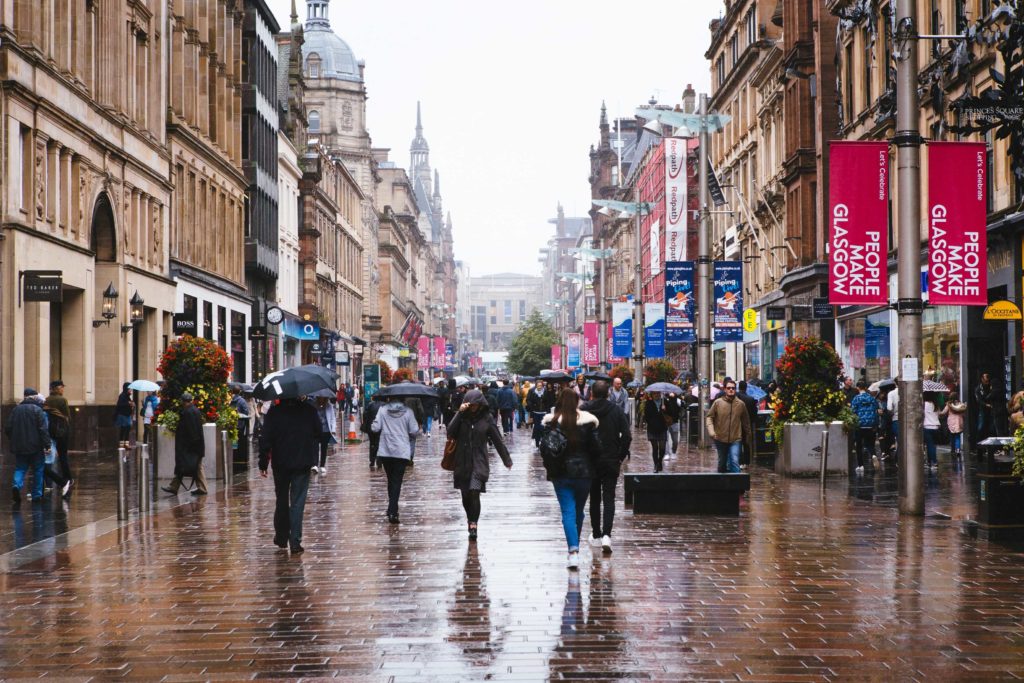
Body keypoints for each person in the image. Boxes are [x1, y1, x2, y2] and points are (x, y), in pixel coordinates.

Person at [541, 390, 601, 570]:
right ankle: (575, 546)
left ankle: (573, 552)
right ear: (576, 402)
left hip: (560, 474)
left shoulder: (551, 423)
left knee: (568, 511)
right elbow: (597, 449)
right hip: (584, 474)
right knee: (578, 511)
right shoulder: (588, 422)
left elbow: (544, 449)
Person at [258, 396, 321, 553]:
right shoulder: (309, 410)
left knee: (281, 500)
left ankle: (281, 536)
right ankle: (295, 541)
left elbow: (265, 438)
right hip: (302, 462)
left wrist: (263, 462)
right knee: (297, 502)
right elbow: (318, 433)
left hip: (281, 463)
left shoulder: (274, 412)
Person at [447, 390, 513, 540]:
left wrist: (506, 460)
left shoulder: (487, 419)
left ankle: (473, 524)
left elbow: (497, 440)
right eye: (471, 405)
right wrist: (459, 413)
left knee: (474, 491)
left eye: (476, 404)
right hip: (462, 462)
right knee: (465, 496)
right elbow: (450, 432)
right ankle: (470, 518)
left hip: (479, 462)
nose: (474, 407)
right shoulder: (462, 417)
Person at [581, 381, 631, 555]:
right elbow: (627, 436)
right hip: (611, 459)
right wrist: (620, 456)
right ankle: (607, 535)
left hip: (590, 460)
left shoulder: (584, 410)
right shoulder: (616, 410)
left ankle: (596, 534)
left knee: (594, 498)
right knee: (609, 497)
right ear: (608, 393)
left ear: (592, 393)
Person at [371, 396, 421, 523]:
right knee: (396, 481)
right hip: (401, 451)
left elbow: (375, 428)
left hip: (386, 451)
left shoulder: (382, 410)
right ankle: (393, 511)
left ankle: (391, 508)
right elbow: (414, 430)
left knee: (391, 480)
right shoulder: (408, 411)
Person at [6, 389, 52, 506]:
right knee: (38, 470)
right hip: (36, 446)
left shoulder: (15, 410)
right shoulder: (38, 410)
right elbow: (43, 430)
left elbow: (8, 428)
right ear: (34, 398)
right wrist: (47, 445)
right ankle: (36, 495)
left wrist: (14, 439)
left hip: (19, 446)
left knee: (20, 468)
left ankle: (16, 485)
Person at [161, 392, 208, 496]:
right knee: (188, 466)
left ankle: (201, 488)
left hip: (190, 447)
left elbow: (192, 431)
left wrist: (190, 446)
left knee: (190, 465)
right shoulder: (194, 410)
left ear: (183, 401)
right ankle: (174, 486)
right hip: (194, 446)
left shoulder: (188, 412)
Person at [705, 380, 751, 474]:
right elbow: (709, 417)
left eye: (733, 388)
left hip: (735, 439)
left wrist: (748, 436)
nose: (731, 390)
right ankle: (723, 484)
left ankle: (737, 486)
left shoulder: (741, 404)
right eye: (729, 388)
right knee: (722, 463)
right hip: (720, 438)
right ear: (725, 389)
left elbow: (746, 422)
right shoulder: (718, 403)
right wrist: (712, 432)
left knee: (734, 461)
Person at [44, 379, 74, 491]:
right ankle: (68, 478)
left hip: (49, 431)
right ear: (57, 388)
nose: (63, 389)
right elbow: (67, 416)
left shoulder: (46, 400)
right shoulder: (62, 400)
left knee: (48, 458)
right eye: (62, 387)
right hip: (62, 431)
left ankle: (48, 482)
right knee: (63, 456)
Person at [850, 380, 879, 474]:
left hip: (860, 424)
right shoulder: (871, 398)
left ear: (858, 388)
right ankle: (874, 455)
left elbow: (853, 411)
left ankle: (861, 465)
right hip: (870, 424)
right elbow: (876, 409)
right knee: (870, 443)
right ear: (866, 388)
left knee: (859, 445)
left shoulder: (856, 398)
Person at [643, 392, 671, 473]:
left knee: (662, 448)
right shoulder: (649, 403)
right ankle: (656, 465)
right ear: (652, 395)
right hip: (652, 429)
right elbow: (646, 416)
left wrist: (665, 409)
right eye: (655, 394)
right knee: (655, 448)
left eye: (658, 393)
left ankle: (659, 461)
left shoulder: (664, 402)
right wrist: (651, 423)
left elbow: (671, 412)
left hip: (662, 428)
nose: (656, 395)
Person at [736, 381, 759, 464]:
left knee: (737, 443)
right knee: (746, 444)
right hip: (747, 425)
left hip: (736, 425)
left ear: (739, 387)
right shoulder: (751, 399)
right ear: (746, 388)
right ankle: (746, 462)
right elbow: (754, 413)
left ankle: (739, 461)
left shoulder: (735, 397)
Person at [313, 396, 337, 475]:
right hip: (316, 430)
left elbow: (333, 418)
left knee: (324, 448)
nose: (321, 399)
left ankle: (322, 465)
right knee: (315, 447)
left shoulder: (329, 406)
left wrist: (333, 429)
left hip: (326, 430)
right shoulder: (314, 405)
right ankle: (315, 465)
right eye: (320, 397)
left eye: (323, 397)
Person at [361, 390, 384, 469]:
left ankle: (372, 460)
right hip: (380, 428)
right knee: (379, 444)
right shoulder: (384, 405)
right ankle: (379, 460)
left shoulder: (370, 405)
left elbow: (365, 415)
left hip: (371, 427)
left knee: (372, 444)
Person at [526, 379, 550, 447]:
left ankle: (542, 441)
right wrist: (532, 406)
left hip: (544, 412)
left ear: (542, 386)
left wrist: (547, 409)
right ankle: (537, 442)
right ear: (536, 386)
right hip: (535, 412)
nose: (539, 387)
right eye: (538, 385)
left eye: (541, 385)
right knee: (536, 427)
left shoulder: (546, 391)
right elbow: (528, 400)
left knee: (542, 427)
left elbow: (548, 401)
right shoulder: (532, 391)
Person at [974, 373, 995, 445]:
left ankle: (991, 446)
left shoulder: (991, 387)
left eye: (988, 381)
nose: (987, 382)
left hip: (991, 409)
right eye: (986, 381)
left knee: (991, 428)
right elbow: (979, 400)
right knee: (981, 427)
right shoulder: (978, 389)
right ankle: (978, 444)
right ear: (982, 379)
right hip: (983, 409)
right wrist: (986, 405)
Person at [923, 391, 940, 470]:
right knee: (933, 446)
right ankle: (930, 462)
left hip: (927, 426)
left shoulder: (924, 404)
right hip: (936, 427)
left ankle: (934, 462)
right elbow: (939, 414)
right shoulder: (936, 404)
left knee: (930, 446)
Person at [115, 382, 134, 448]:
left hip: (127, 415)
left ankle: (126, 444)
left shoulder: (128, 397)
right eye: (129, 389)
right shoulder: (122, 396)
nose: (130, 390)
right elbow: (120, 404)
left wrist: (131, 404)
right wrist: (128, 403)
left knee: (127, 429)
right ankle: (121, 445)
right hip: (123, 415)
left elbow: (129, 404)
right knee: (123, 430)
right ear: (126, 388)